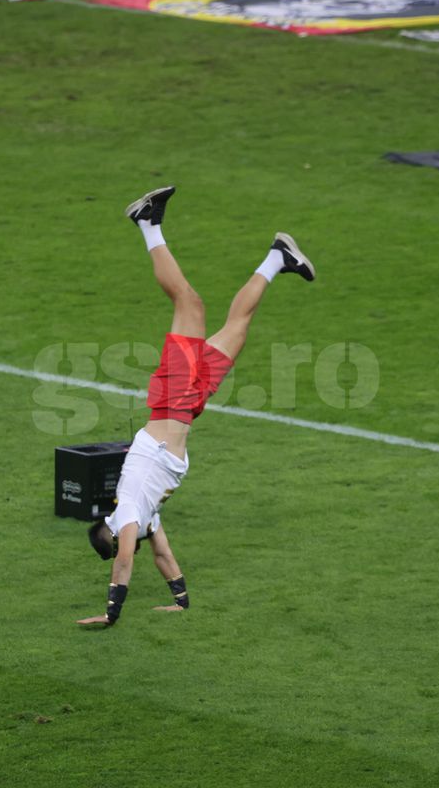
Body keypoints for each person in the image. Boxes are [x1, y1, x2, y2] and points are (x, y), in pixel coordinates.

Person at [76, 186, 316, 627]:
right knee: (237, 330)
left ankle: (148, 223)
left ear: (110, 532)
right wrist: (180, 599)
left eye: (117, 542)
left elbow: (126, 561)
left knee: (189, 303)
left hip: (174, 399)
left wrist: (111, 613)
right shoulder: (146, 519)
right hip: (187, 405)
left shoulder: (127, 512)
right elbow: (163, 554)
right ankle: (278, 258)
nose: (127, 544)